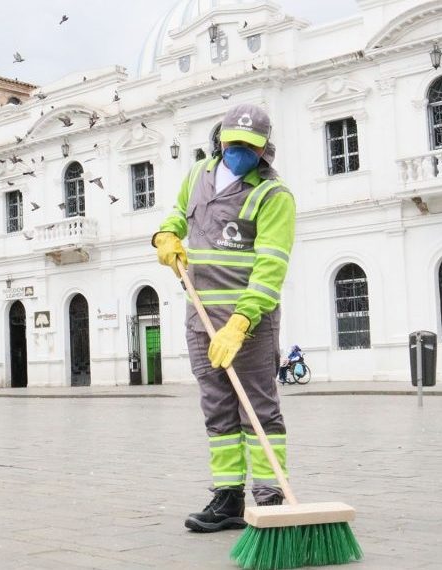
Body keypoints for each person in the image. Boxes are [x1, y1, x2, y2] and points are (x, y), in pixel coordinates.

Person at [153, 103, 296, 532]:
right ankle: (228, 498)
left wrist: (241, 323)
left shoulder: (274, 195)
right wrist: (166, 233)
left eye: (250, 147)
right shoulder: (198, 175)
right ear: (219, 140)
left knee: (257, 410)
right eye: (233, 144)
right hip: (200, 317)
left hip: (247, 321)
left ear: (265, 149)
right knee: (217, 409)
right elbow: (179, 213)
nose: (240, 152)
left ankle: (270, 498)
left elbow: (271, 268)